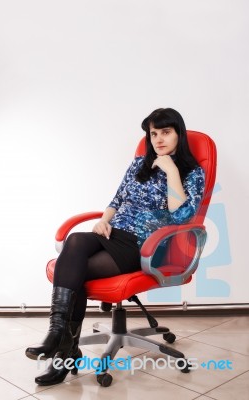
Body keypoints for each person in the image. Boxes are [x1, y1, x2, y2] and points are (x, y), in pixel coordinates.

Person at [25, 108, 205, 385]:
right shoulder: (138, 165)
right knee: (75, 240)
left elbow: (179, 215)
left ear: (179, 133)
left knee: (76, 271)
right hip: (112, 235)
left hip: (144, 245)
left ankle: (64, 350)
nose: (158, 139)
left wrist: (170, 170)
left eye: (165, 132)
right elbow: (117, 199)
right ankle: (58, 334)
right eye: (153, 133)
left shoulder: (192, 173)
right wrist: (103, 221)